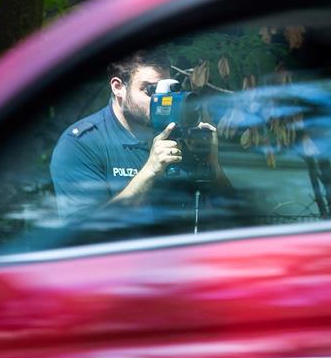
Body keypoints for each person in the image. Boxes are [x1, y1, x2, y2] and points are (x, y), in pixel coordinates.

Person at [49, 52, 235, 234]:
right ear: (118, 87)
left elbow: (234, 216)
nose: (161, 100)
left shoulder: (182, 134)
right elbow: (83, 235)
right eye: (151, 90)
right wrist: (149, 172)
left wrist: (213, 166)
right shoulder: (82, 144)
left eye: (168, 90)